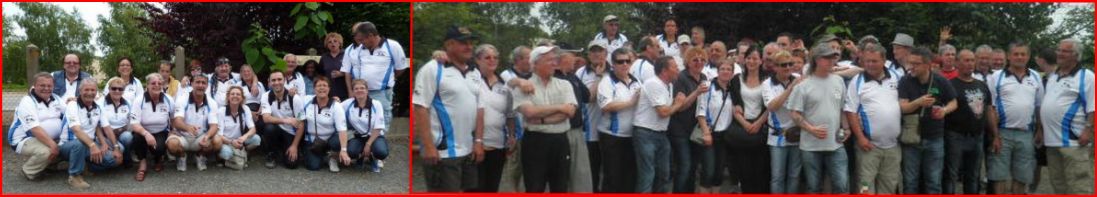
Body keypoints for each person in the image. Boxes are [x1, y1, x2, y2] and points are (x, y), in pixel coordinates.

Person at [414, 25, 485, 192]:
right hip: (443, 153)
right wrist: (428, 146)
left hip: (468, 151)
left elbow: (480, 109)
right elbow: (420, 107)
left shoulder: (475, 72)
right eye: (463, 43)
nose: (469, 47)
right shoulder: (433, 69)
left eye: (470, 42)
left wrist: (478, 142)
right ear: (449, 45)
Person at [634, 56, 705, 193]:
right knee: (648, 175)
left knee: (663, 174)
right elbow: (664, 112)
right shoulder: (653, 83)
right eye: (674, 67)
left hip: (661, 134)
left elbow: (676, 108)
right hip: (646, 134)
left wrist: (688, 98)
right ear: (664, 71)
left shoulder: (669, 85)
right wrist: (677, 103)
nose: (678, 69)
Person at [512, 46, 577, 193]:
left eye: (555, 60)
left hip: (560, 141)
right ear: (535, 64)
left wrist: (542, 119)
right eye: (549, 60)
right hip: (535, 142)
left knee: (560, 187)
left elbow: (570, 111)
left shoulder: (565, 84)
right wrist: (560, 107)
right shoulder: (524, 86)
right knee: (535, 187)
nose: (555, 63)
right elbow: (529, 112)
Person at [787, 44, 850, 194]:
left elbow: (842, 108)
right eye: (827, 57)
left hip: (835, 144)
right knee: (813, 187)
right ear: (816, 60)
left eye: (833, 57)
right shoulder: (803, 85)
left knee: (842, 185)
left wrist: (846, 128)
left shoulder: (838, 81)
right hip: (811, 146)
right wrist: (811, 129)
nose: (831, 60)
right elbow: (794, 113)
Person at [844, 44, 903, 194]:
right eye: (867, 61)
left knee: (889, 186)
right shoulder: (857, 81)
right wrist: (861, 138)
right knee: (865, 185)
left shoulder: (896, 77)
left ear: (884, 60)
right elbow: (850, 112)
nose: (870, 64)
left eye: (874, 61)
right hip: (868, 145)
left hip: (893, 146)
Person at [898, 47, 957, 194]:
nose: (911, 66)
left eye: (916, 64)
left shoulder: (940, 80)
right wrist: (918, 102)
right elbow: (903, 108)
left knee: (933, 182)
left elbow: (954, 102)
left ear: (927, 65)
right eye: (910, 62)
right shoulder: (905, 80)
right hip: (911, 139)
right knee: (910, 182)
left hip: (935, 138)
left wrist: (944, 111)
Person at [986, 41, 1042, 194]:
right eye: (1016, 54)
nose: (1019, 57)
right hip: (1002, 133)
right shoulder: (996, 77)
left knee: (1022, 176)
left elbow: (1039, 106)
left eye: (1023, 54)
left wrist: (1039, 130)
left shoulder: (1036, 76)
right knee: (999, 175)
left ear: (1028, 56)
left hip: (1026, 133)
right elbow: (990, 108)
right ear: (1009, 56)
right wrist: (995, 135)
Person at [1039, 38, 1094, 194]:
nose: (1060, 54)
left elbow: (1093, 107)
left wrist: (1088, 130)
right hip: (1052, 142)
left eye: (1065, 51)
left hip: (1074, 141)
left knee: (1079, 186)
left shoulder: (1086, 76)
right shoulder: (1053, 77)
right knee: (1058, 185)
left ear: (1076, 55)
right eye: (1059, 50)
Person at [943, 49, 996, 194]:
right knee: (951, 175)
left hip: (977, 136)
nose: (970, 63)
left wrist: (995, 135)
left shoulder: (982, 85)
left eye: (972, 60)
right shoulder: (949, 84)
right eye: (966, 60)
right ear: (957, 63)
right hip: (954, 136)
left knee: (973, 176)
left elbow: (989, 110)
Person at [463, 44, 512, 192]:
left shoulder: (504, 83)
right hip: (473, 144)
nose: (492, 60)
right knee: (474, 189)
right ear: (477, 60)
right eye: (487, 57)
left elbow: (510, 114)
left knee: (491, 188)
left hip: (498, 145)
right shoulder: (469, 78)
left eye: (495, 57)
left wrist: (512, 135)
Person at [341, 21, 408, 126]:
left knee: (382, 118)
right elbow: (356, 70)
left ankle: (380, 140)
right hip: (362, 91)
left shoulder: (392, 46)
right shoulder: (359, 49)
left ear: (371, 36)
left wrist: (390, 78)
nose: (361, 42)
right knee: (362, 118)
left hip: (382, 92)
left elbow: (401, 68)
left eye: (362, 40)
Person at [729, 44, 772, 194]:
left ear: (761, 61)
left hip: (761, 128)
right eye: (749, 58)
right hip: (742, 128)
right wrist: (746, 125)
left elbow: (770, 106)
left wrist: (758, 124)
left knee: (761, 171)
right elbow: (735, 106)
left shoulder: (768, 80)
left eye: (755, 58)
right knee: (744, 171)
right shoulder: (736, 79)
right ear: (744, 59)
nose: (751, 61)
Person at [60, 79, 120, 189]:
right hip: (69, 145)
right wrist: (93, 145)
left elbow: (106, 128)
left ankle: (87, 165)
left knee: (113, 160)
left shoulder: (98, 107)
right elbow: (76, 130)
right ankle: (74, 175)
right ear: (80, 91)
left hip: (89, 145)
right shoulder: (73, 105)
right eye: (86, 89)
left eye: (93, 90)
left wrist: (116, 147)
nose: (90, 92)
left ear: (96, 91)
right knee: (78, 144)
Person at [597, 48, 642, 193]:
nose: (624, 64)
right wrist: (630, 102)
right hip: (612, 136)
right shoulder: (607, 81)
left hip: (633, 135)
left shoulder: (636, 81)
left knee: (630, 176)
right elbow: (606, 106)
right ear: (613, 64)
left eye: (627, 61)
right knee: (613, 177)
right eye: (620, 61)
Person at [554, 44, 595, 193]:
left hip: (577, 131)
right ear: (563, 57)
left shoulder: (573, 76)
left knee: (581, 175)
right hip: (559, 131)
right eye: (573, 55)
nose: (577, 59)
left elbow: (588, 97)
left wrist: (599, 76)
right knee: (560, 175)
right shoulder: (552, 77)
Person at [10, 73, 66, 181]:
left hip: (46, 138)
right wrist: (52, 144)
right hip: (23, 139)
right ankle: (29, 171)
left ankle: (48, 166)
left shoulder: (56, 98)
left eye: (49, 86)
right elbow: (34, 128)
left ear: (53, 87)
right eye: (42, 85)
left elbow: (69, 113)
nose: (46, 88)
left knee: (66, 145)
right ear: (34, 86)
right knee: (48, 151)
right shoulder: (27, 101)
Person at [763, 51, 802, 193]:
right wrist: (791, 88)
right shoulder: (767, 84)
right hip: (777, 136)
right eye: (783, 65)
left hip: (797, 133)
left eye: (790, 64)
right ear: (775, 67)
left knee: (794, 175)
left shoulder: (799, 78)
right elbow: (772, 107)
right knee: (778, 176)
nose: (788, 67)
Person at [696, 58, 735, 194]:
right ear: (717, 72)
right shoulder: (707, 87)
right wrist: (706, 133)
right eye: (722, 69)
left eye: (728, 69)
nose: (725, 71)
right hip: (709, 134)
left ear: (732, 73)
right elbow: (700, 112)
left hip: (725, 136)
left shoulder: (733, 90)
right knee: (708, 170)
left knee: (719, 171)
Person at [299, 76, 352, 172]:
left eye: (325, 85)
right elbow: (294, 100)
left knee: (337, 141)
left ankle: (333, 156)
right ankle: (321, 155)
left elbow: (342, 129)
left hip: (330, 139)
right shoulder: (306, 100)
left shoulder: (336, 106)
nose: (322, 88)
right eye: (319, 85)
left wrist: (344, 150)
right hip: (312, 140)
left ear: (329, 89)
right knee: (313, 166)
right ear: (314, 88)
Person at [168, 74, 220, 172]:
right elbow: (177, 121)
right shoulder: (182, 99)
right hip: (182, 136)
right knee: (172, 144)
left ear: (207, 86)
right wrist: (187, 128)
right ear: (192, 84)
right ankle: (182, 156)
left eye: (203, 83)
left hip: (200, 137)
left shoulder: (212, 102)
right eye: (198, 82)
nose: (200, 85)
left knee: (217, 141)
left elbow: (214, 126)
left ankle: (200, 155)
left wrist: (207, 136)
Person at [577, 41, 609, 192]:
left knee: (610, 173)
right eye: (593, 51)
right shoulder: (580, 73)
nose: (596, 54)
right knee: (592, 172)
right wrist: (598, 77)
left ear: (606, 53)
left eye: (600, 50)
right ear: (588, 55)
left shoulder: (616, 70)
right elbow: (588, 98)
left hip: (611, 132)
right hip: (589, 132)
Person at [131, 73, 175, 182]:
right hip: (143, 131)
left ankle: (158, 158)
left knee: (159, 148)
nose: (157, 85)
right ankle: (143, 163)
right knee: (136, 137)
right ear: (147, 85)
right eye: (153, 83)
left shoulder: (169, 99)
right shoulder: (139, 100)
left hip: (161, 131)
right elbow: (134, 123)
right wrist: (146, 134)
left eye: (159, 83)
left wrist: (173, 131)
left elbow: (173, 119)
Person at [259, 71, 307, 169]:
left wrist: (294, 146)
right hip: (277, 129)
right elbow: (266, 118)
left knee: (291, 165)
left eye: (279, 79)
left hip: (291, 132)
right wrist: (286, 120)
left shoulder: (295, 98)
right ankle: (271, 153)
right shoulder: (266, 96)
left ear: (284, 80)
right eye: (273, 80)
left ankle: (289, 148)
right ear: (269, 82)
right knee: (269, 128)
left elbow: (301, 124)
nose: (277, 82)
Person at [343, 80, 390, 173]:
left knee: (381, 152)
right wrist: (335, 99)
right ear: (352, 91)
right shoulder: (348, 103)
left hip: (375, 136)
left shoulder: (376, 104)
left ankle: (374, 157)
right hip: (358, 136)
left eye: (362, 88)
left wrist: (368, 144)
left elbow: (378, 127)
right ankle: (361, 157)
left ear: (367, 90)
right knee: (351, 152)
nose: (359, 90)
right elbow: (335, 107)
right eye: (356, 88)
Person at [215, 86, 262, 170]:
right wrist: (232, 142)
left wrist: (244, 137)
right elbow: (219, 135)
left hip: (240, 140)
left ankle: (243, 152)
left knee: (256, 139)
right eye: (232, 94)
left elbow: (253, 129)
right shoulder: (222, 110)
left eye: (238, 94)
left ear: (242, 98)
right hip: (226, 141)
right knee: (227, 153)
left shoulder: (245, 108)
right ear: (228, 97)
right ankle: (222, 158)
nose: (235, 96)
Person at [100, 77, 136, 167]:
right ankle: (119, 155)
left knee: (128, 137)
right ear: (109, 89)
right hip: (106, 134)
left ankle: (127, 157)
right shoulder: (101, 103)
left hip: (122, 133)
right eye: (114, 88)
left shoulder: (127, 103)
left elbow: (131, 120)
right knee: (121, 148)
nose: (117, 91)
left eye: (120, 89)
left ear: (123, 91)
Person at [321, 32, 350, 99]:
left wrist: (342, 74)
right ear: (327, 45)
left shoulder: (346, 55)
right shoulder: (324, 57)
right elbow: (321, 73)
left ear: (339, 43)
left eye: (335, 41)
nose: (332, 43)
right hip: (328, 92)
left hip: (344, 91)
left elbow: (353, 71)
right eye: (329, 42)